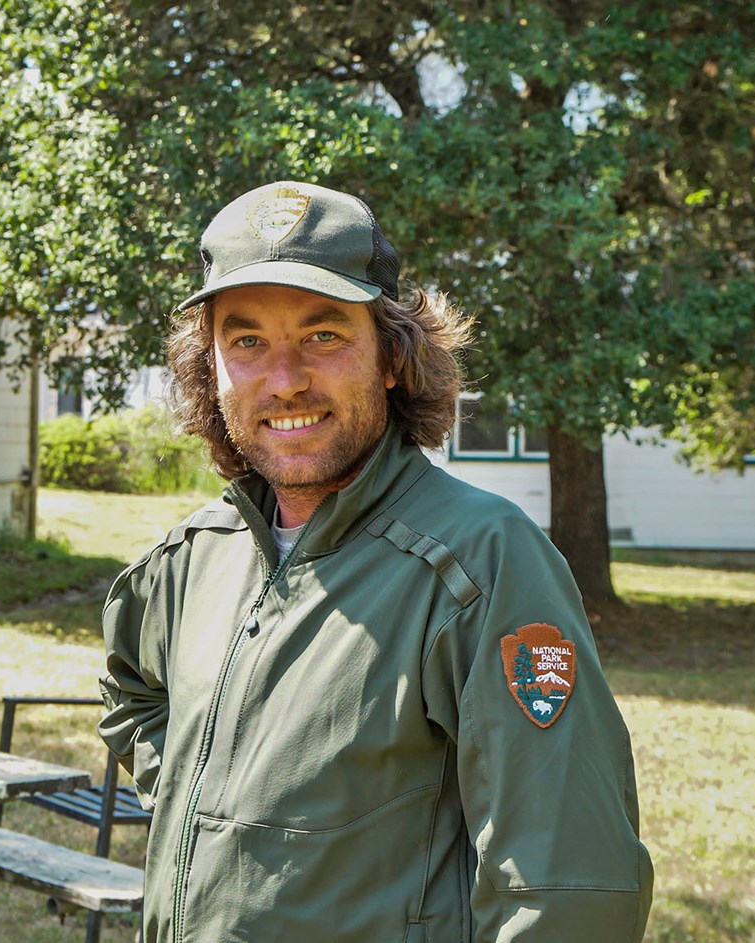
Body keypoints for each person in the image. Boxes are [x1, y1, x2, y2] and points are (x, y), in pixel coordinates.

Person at [98, 180, 654, 943]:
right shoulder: (190, 558)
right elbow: (132, 690)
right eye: (247, 340)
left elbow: (567, 880)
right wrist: (211, 798)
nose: (285, 377)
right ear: (212, 367)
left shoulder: (480, 562)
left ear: (393, 355)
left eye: (324, 335)